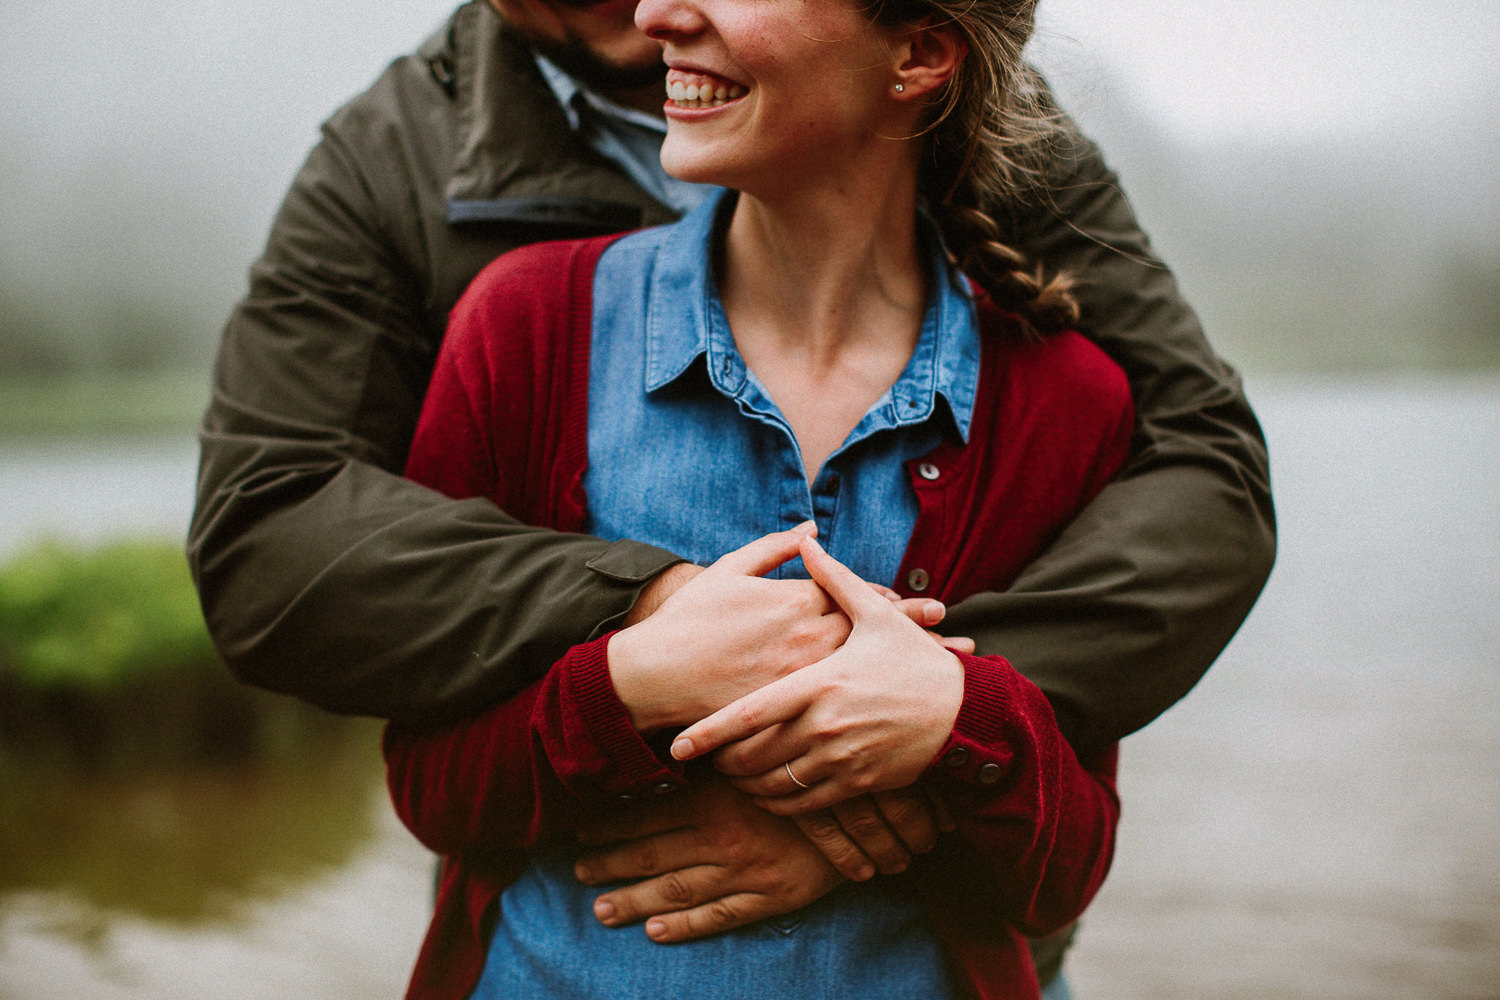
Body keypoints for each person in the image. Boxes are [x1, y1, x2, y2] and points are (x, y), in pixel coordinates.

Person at [186, 0, 1274, 991]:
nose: (662, 12)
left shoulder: (968, 123)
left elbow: (1204, 467)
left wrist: (919, 735)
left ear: (923, 60)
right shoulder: (432, 206)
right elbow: (273, 542)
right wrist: (643, 619)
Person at [384, 0, 1134, 995]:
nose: (655, 11)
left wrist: (957, 719)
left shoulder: (1064, 400)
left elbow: (1063, 870)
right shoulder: (527, 324)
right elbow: (432, 787)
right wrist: (630, 685)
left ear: (917, 54)